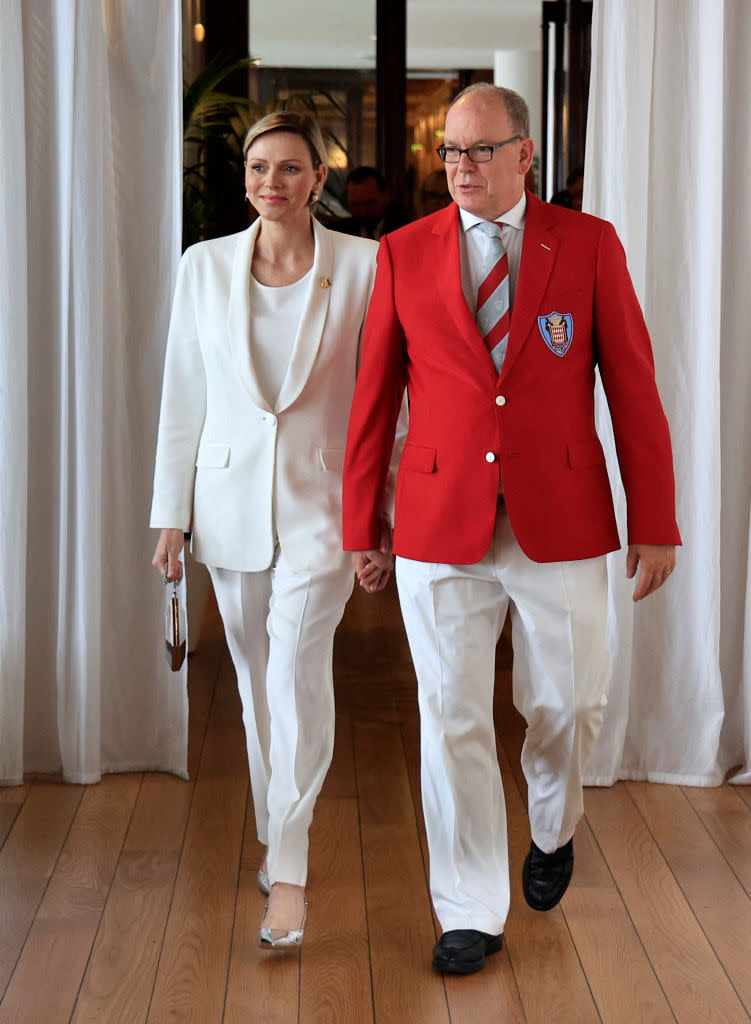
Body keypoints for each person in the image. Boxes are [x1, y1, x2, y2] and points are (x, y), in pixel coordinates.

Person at [342, 83, 680, 975]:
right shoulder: (404, 253)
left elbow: (633, 389)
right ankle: (467, 909)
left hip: (561, 519)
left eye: (481, 151)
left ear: (525, 154)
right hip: (434, 521)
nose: (462, 168)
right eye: (451, 152)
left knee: (569, 704)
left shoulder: (590, 244)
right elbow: (372, 401)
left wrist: (656, 520)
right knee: (448, 715)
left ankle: (552, 823)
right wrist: (360, 525)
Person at [150, 111, 399, 950]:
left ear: (318, 180)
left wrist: (382, 513)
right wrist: (169, 517)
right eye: (258, 168)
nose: (270, 183)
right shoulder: (203, 266)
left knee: (294, 672)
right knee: (258, 689)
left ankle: (287, 873)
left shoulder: (365, 266)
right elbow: (182, 394)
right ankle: (277, 834)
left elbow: (387, 399)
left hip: (326, 509)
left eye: (289, 169)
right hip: (225, 508)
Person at [329, 166, 411, 240]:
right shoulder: (338, 234)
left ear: (386, 195)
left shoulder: (406, 230)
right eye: (356, 205)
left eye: (370, 204)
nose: (363, 211)